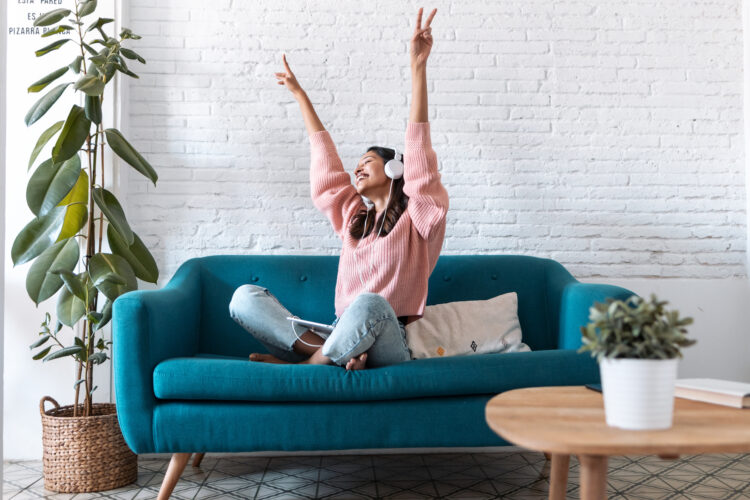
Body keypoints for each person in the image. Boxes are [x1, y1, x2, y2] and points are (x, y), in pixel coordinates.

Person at [229, 7, 448, 371]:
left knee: (371, 303)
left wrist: (417, 69)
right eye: (357, 162)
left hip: (387, 335)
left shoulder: (418, 217)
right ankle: (337, 354)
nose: (357, 167)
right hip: (342, 333)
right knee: (244, 298)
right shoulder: (353, 217)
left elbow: (422, 165)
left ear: (395, 169)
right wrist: (300, 96)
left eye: (368, 160)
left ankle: (309, 364)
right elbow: (327, 170)